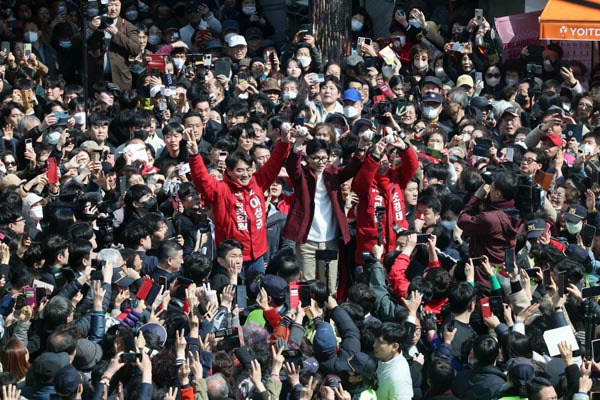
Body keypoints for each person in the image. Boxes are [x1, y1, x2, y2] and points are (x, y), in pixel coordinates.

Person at [188, 127, 291, 276]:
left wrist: (283, 142)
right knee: (234, 295)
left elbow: (273, 164)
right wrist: (194, 155)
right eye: (240, 170)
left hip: (258, 256)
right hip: (232, 258)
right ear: (229, 171)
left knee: (258, 293)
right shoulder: (220, 189)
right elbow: (201, 178)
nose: (245, 175)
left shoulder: (258, 182)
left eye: (248, 170)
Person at [86, 0, 141, 90]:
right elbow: (77, 42)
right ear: (104, 6)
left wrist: (117, 34)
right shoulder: (94, 22)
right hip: (96, 77)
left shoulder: (127, 25)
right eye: (110, 5)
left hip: (120, 78)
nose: (114, 9)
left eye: (117, 5)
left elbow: (136, 49)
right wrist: (91, 28)